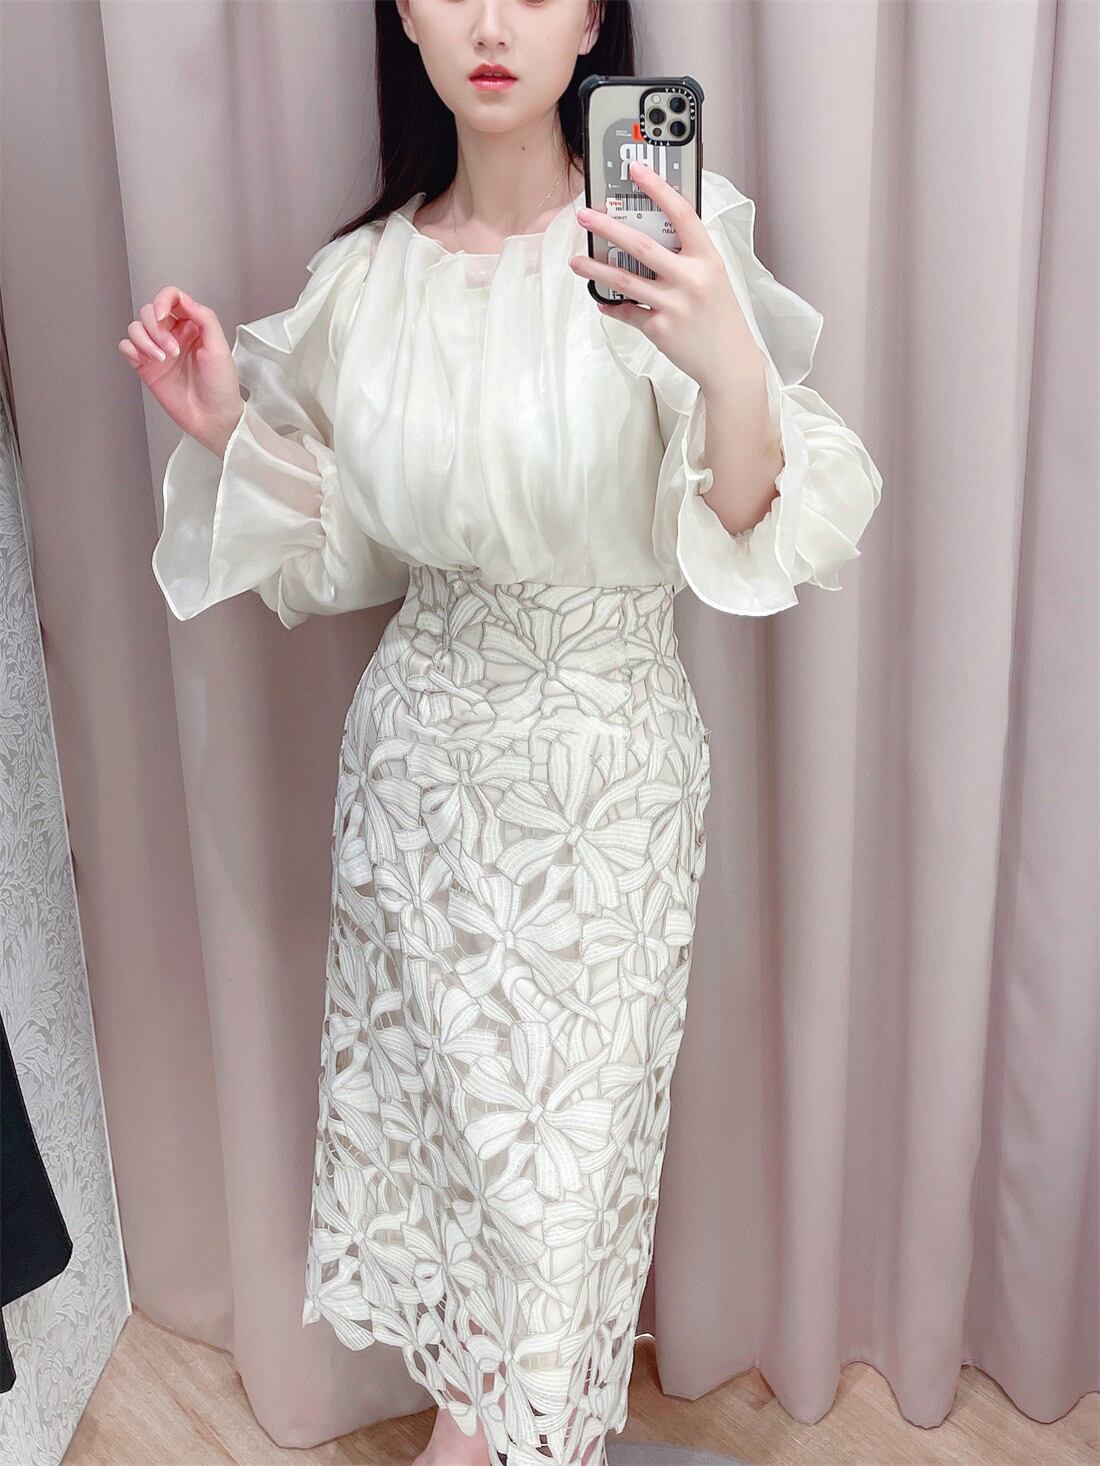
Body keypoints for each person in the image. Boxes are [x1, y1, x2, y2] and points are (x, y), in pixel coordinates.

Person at [120, 4, 882, 1463]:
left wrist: (727, 361)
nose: (488, 22)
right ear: (403, 13)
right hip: (417, 785)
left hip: (605, 782)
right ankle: (469, 1434)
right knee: (460, 1188)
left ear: (591, 15)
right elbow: (349, 546)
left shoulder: (666, 234)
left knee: (559, 1201)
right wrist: (227, 427)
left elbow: (750, 525)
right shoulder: (366, 282)